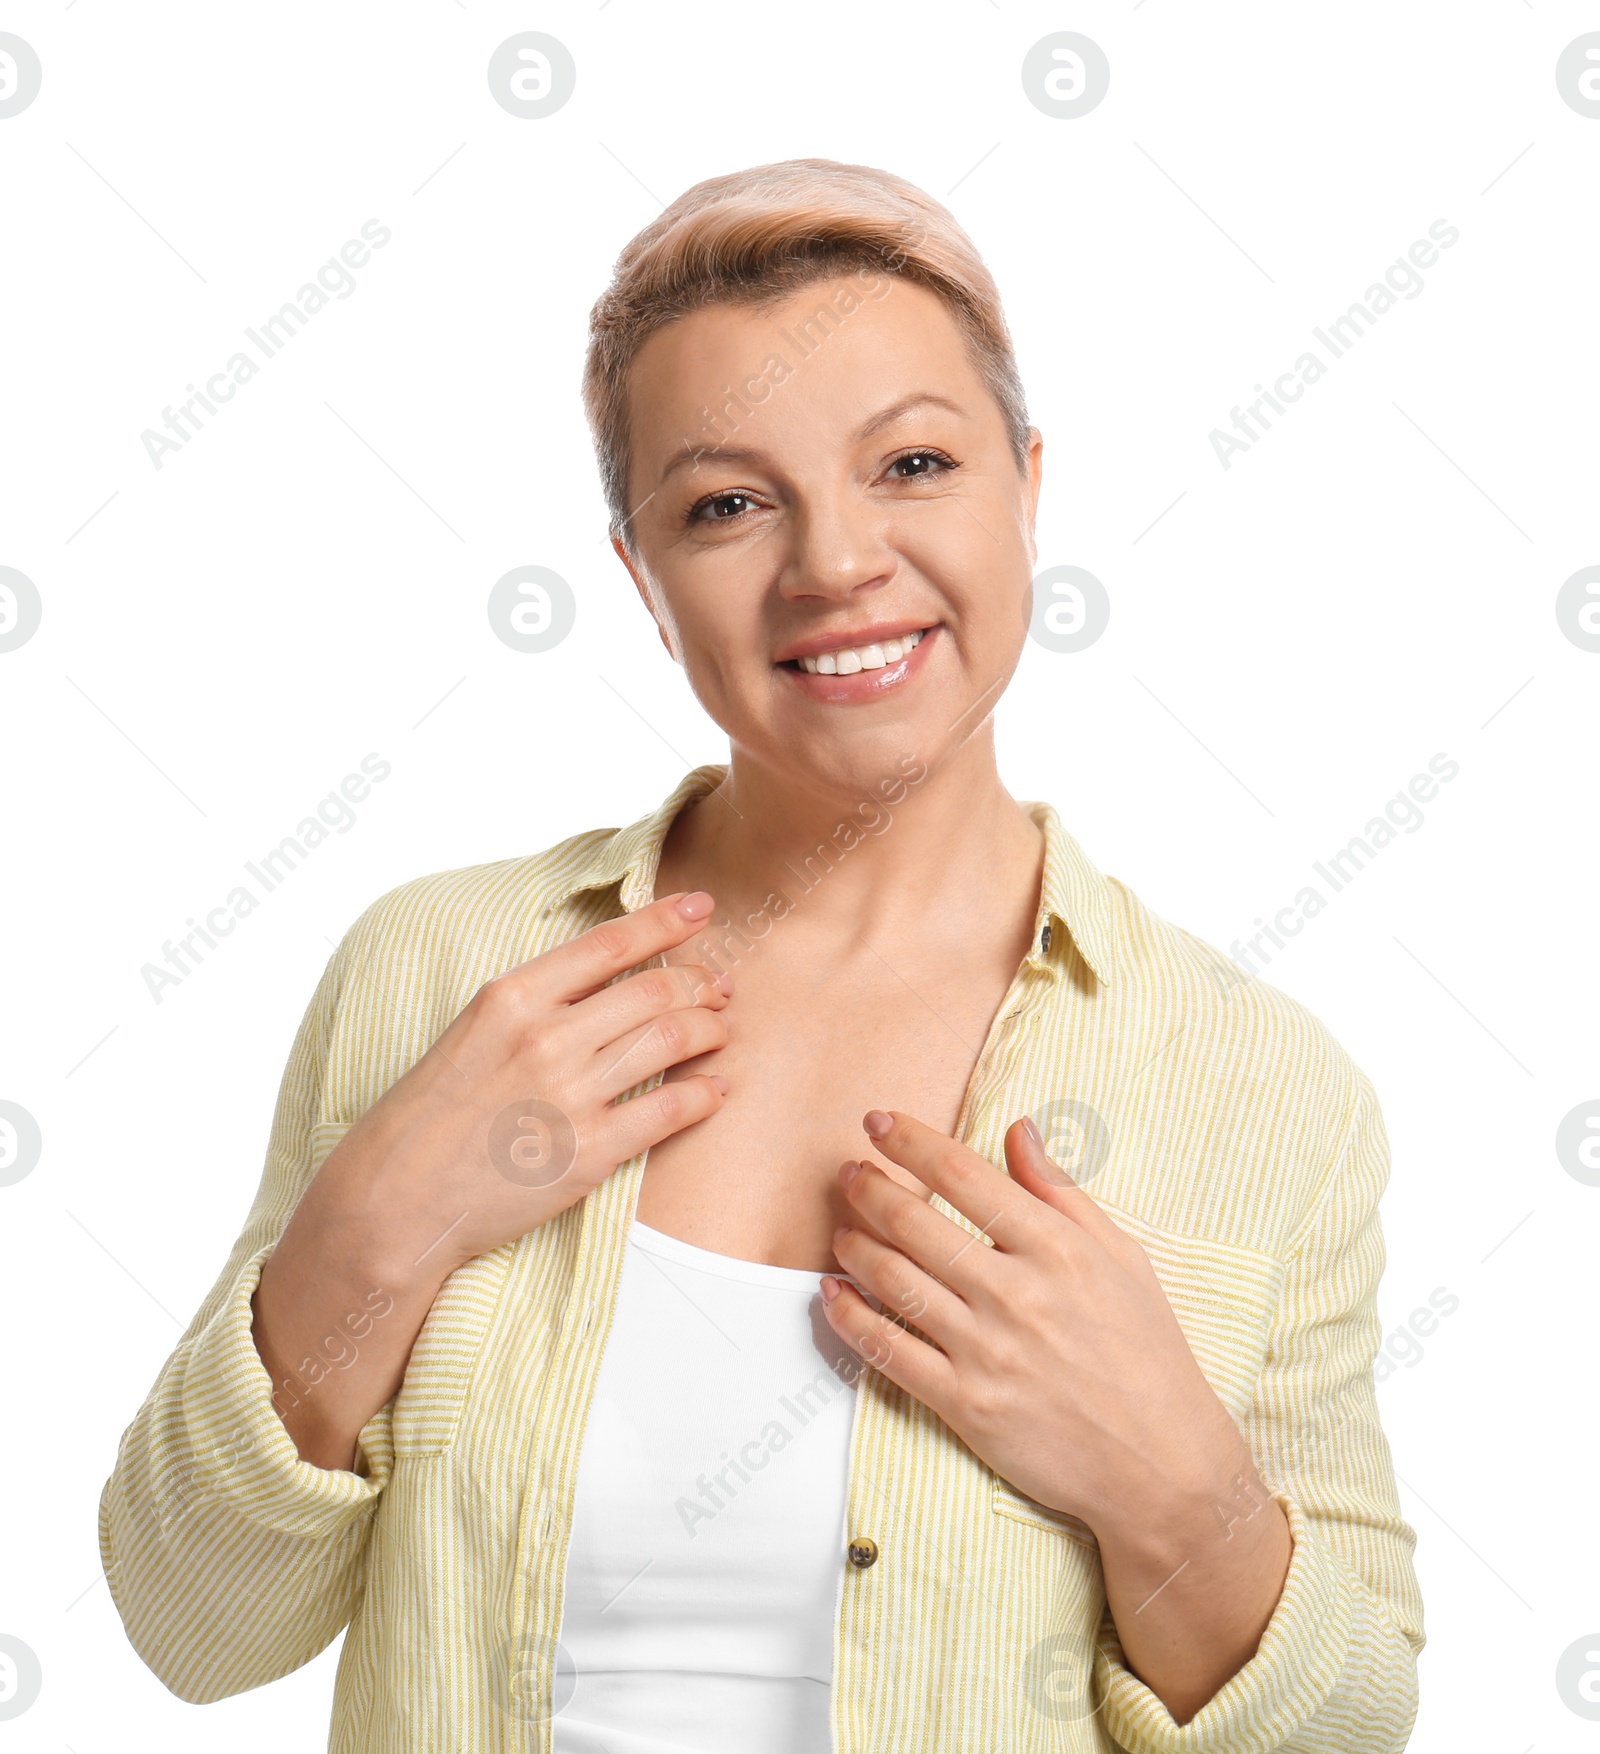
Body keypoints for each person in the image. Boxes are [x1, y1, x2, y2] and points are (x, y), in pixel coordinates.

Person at [99, 158, 1425, 1753]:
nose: (835, 564)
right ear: (643, 582)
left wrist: (1171, 1483)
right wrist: (375, 1235)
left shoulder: (1265, 1085)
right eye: (727, 503)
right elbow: (192, 1623)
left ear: (1028, 485)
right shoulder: (437, 972)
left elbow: (1353, 1727)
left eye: (914, 462)